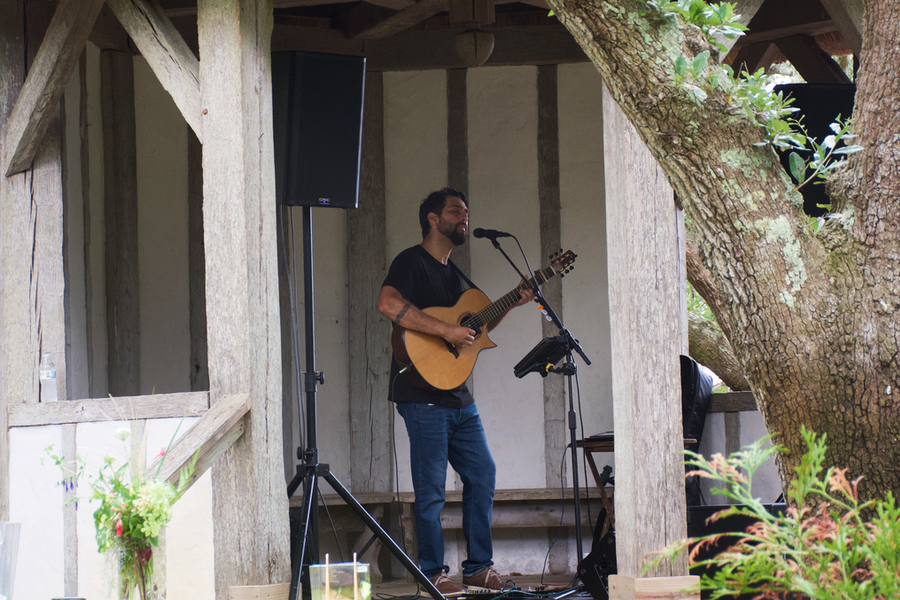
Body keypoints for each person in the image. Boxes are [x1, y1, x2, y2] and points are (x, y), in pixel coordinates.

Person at [377, 188, 534, 594]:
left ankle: (478, 568)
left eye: (466, 212)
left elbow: (473, 334)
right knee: (430, 493)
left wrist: (514, 303)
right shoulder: (411, 262)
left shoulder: (457, 276)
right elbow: (388, 303)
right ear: (432, 218)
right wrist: (445, 329)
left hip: (458, 395)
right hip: (421, 394)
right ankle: (431, 573)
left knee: (482, 475)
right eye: (455, 211)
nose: (464, 217)